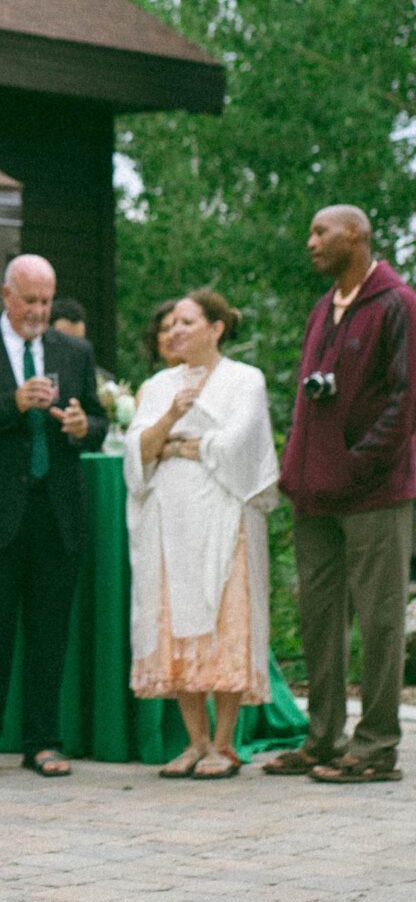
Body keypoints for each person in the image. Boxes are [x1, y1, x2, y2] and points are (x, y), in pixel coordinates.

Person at [261, 206, 416, 786]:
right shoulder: (323, 309)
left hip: (375, 494)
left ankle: (375, 747)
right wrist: (297, 468)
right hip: (315, 496)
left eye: (321, 232)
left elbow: (405, 404)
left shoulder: (399, 304)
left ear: (358, 235)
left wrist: (354, 467)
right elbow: (310, 397)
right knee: (320, 618)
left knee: (378, 621)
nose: (311, 242)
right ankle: (322, 737)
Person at [0, 252, 108, 779]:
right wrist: (11, 403)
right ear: (7, 296)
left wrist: (86, 426)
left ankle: (43, 741)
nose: (39, 310)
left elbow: (99, 421)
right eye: (30, 300)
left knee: (49, 630)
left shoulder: (74, 350)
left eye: (46, 300)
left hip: (55, 511)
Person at [123, 290, 279, 778]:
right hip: (171, 520)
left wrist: (187, 447)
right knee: (177, 622)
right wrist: (169, 418)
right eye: (170, 325)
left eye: (187, 322)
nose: (175, 331)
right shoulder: (156, 385)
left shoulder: (243, 380)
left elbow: (241, 442)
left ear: (215, 328)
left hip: (225, 514)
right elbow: (140, 451)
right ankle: (194, 742)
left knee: (226, 621)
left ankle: (225, 744)